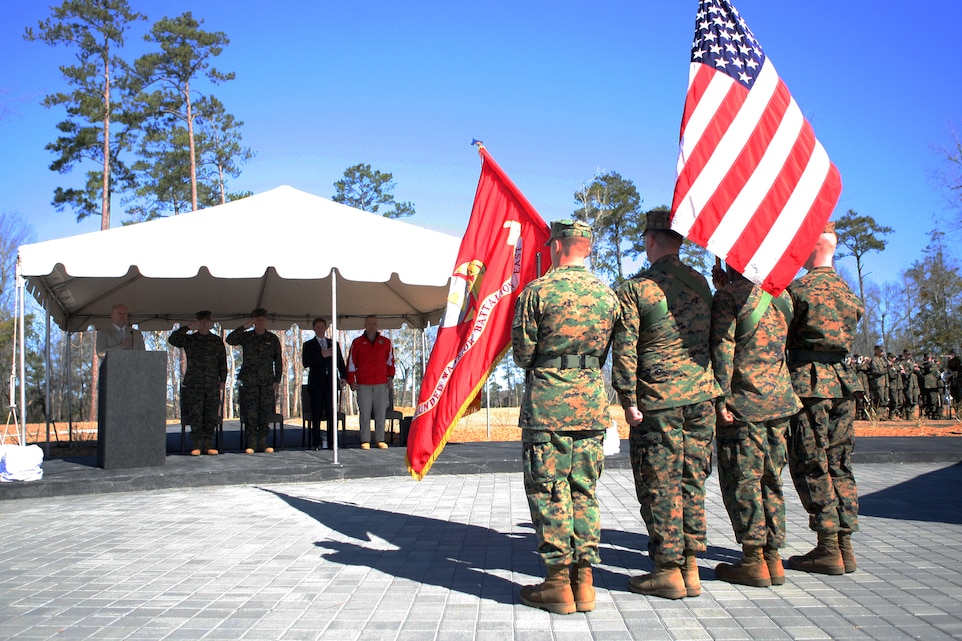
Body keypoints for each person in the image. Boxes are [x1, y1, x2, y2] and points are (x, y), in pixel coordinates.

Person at [511, 219, 619, 615]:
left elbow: (522, 354)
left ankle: (558, 582)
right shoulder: (608, 297)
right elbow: (609, 351)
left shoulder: (537, 292)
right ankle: (585, 581)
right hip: (591, 404)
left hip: (548, 406)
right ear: (587, 248)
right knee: (584, 489)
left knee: (550, 489)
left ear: (556, 246)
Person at [612, 210, 719, 600]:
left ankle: (668, 569)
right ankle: (691, 565)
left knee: (660, 484)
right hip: (701, 397)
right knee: (693, 480)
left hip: (659, 402)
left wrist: (628, 399)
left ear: (650, 239)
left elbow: (625, 350)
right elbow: (716, 339)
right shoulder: (701, 284)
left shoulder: (637, 289)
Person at [709, 265, 801, 588]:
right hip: (779, 403)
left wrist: (719, 400)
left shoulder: (727, 298)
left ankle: (752, 559)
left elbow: (723, 352)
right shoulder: (784, 297)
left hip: (743, 404)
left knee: (743, 480)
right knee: (772, 479)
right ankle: (772, 557)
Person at [785, 222, 864, 576]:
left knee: (811, 461)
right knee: (839, 462)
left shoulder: (799, 291)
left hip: (809, 385)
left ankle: (828, 546)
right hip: (845, 385)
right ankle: (844, 545)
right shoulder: (849, 293)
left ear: (813, 246)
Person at [168, 310, 227, 456]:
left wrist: (223, 380)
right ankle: (196, 445)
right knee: (196, 415)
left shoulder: (216, 340)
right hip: (194, 383)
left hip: (212, 383)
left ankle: (208, 444)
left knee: (210, 415)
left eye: (206, 321)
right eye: (201, 321)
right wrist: (187, 327)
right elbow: (173, 340)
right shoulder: (190, 339)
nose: (204, 324)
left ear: (210, 323)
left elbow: (222, 362)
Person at [226, 308, 282, 454]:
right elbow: (230, 339)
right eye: (258, 319)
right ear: (254, 321)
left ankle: (263, 442)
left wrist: (277, 379)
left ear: (266, 320)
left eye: (263, 319)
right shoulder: (247, 336)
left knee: (264, 413)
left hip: (267, 381)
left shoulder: (272, 338)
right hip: (250, 381)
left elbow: (278, 360)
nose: (261, 322)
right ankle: (251, 443)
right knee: (251, 413)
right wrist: (245, 326)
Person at [346, 315, 395, 449]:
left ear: (377, 325)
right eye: (369, 323)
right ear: (365, 325)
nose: (372, 326)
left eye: (374, 323)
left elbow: (390, 361)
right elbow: (351, 363)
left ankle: (380, 439)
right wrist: (351, 381)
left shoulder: (386, 342)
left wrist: (390, 377)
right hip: (363, 383)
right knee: (365, 413)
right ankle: (365, 440)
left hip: (381, 383)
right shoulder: (357, 342)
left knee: (381, 413)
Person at [302, 317, 347, 450]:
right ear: (314, 329)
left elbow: (340, 362)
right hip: (316, 384)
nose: (320, 329)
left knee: (331, 413)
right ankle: (316, 442)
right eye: (318, 327)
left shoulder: (333, 343)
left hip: (331, 383)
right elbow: (306, 363)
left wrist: (344, 376)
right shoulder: (308, 345)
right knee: (316, 414)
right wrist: (322, 355)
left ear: (326, 328)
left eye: (322, 327)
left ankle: (332, 442)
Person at [867, 345, 888, 416]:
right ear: (876, 351)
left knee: (885, 399)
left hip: (885, 382)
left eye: (883, 351)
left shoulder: (883, 360)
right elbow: (875, 371)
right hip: (878, 383)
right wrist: (886, 370)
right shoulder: (874, 360)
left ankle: (884, 414)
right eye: (881, 351)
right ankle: (879, 415)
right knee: (879, 399)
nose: (883, 353)